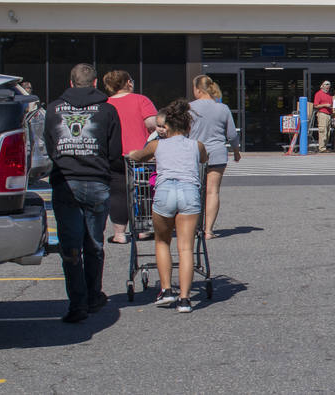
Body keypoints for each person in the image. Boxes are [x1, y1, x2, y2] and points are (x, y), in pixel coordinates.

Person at [44, 63, 123, 323]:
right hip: (97, 181)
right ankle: (93, 296)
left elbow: (49, 146)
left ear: (70, 82)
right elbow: (114, 153)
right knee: (94, 244)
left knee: (70, 247)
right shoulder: (107, 110)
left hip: (65, 181)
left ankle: (76, 304)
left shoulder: (54, 109)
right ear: (96, 82)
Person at [127, 98, 207, 313]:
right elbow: (203, 158)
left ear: (168, 126)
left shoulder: (156, 145)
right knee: (186, 248)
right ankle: (185, 299)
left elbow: (138, 156)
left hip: (165, 192)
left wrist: (131, 154)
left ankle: (166, 290)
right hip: (189, 192)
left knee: (162, 241)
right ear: (188, 126)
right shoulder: (196, 145)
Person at [103, 69, 158, 244]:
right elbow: (152, 123)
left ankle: (119, 234)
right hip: (141, 154)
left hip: (115, 154)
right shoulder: (141, 100)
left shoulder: (106, 103)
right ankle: (143, 230)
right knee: (144, 190)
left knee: (118, 192)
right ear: (128, 82)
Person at [188, 75, 241, 236]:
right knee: (212, 191)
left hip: (194, 153)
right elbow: (231, 135)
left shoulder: (189, 108)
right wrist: (236, 152)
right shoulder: (222, 108)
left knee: (193, 191)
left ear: (198, 89)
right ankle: (208, 230)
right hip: (217, 154)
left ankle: (192, 228)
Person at [312, 79, 334, 153]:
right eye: (326, 84)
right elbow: (315, 106)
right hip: (322, 114)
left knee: (327, 132)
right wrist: (325, 105)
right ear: (322, 86)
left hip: (328, 115)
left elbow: (331, 106)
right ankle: (322, 148)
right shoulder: (318, 94)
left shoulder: (329, 95)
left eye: (329, 84)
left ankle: (324, 147)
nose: (328, 86)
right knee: (323, 131)